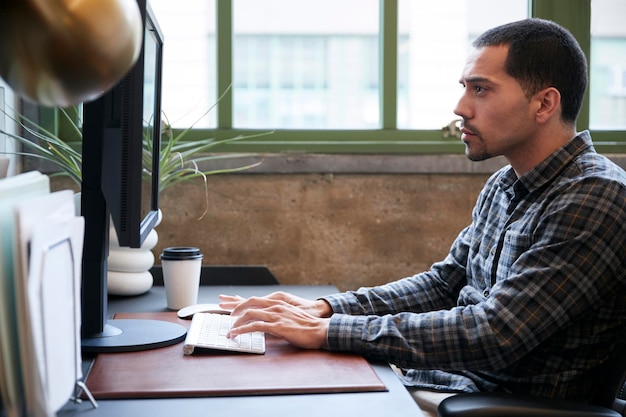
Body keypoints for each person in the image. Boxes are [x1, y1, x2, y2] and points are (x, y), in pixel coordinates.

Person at [219, 18, 626, 415]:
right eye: (465, 87)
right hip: (448, 383)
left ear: (544, 103)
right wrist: (327, 309)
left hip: (499, 404)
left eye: (481, 90)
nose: (461, 107)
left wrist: (328, 332)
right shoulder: (505, 183)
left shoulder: (596, 196)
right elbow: (445, 283)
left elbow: (494, 333)